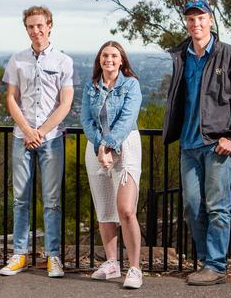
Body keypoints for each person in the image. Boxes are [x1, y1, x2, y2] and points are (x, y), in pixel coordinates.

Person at [163, 0, 231, 285]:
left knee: (217, 206)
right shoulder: (182, 56)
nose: (196, 24)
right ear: (186, 24)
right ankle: (207, 261)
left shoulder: (230, 56)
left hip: (217, 145)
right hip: (189, 146)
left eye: (201, 18)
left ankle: (215, 265)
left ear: (211, 20)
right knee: (192, 207)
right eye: (191, 19)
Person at [0, 5, 75, 278]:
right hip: (22, 138)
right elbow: (11, 99)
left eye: (40, 25)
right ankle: (19, 254)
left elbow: (65, 104)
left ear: (50, 25)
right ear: (26, 29)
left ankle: (53, 256)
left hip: (51, 139)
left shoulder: (64, 61)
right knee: (20, 199)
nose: (36, 30)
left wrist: (40, 131)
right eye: (31, 26)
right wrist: (28, 131)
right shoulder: (16, 60)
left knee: (52, 200)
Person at [81, 41, 143, 289]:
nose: (109, 59)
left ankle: (135, 268)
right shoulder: (91, 86)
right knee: (105, 209)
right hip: (96, 150)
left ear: (121, 60)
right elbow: (86, 119)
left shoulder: (131, 85)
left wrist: (108, 145)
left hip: (125, 147)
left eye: (114, 55)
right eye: (104, 55)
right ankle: (112, 263)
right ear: (99, 60)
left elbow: (127, 119)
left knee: (126, 209)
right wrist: (100, 146)